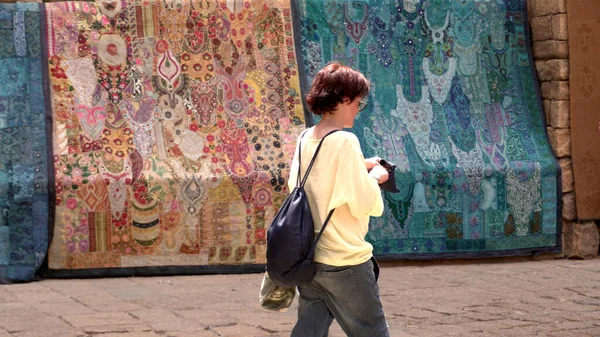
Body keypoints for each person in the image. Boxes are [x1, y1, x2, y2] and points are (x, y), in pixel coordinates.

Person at [288, 62, 390, 337]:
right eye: (359, 102)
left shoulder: (305, 138)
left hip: (311, 257)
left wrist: (359, 164)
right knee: (372, 332)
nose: (359, 108)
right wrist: (375, 177)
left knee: (309, 331)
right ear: (344, 99)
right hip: (345, 260)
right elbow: (363, 202)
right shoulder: (345, 141)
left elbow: (307, 185)